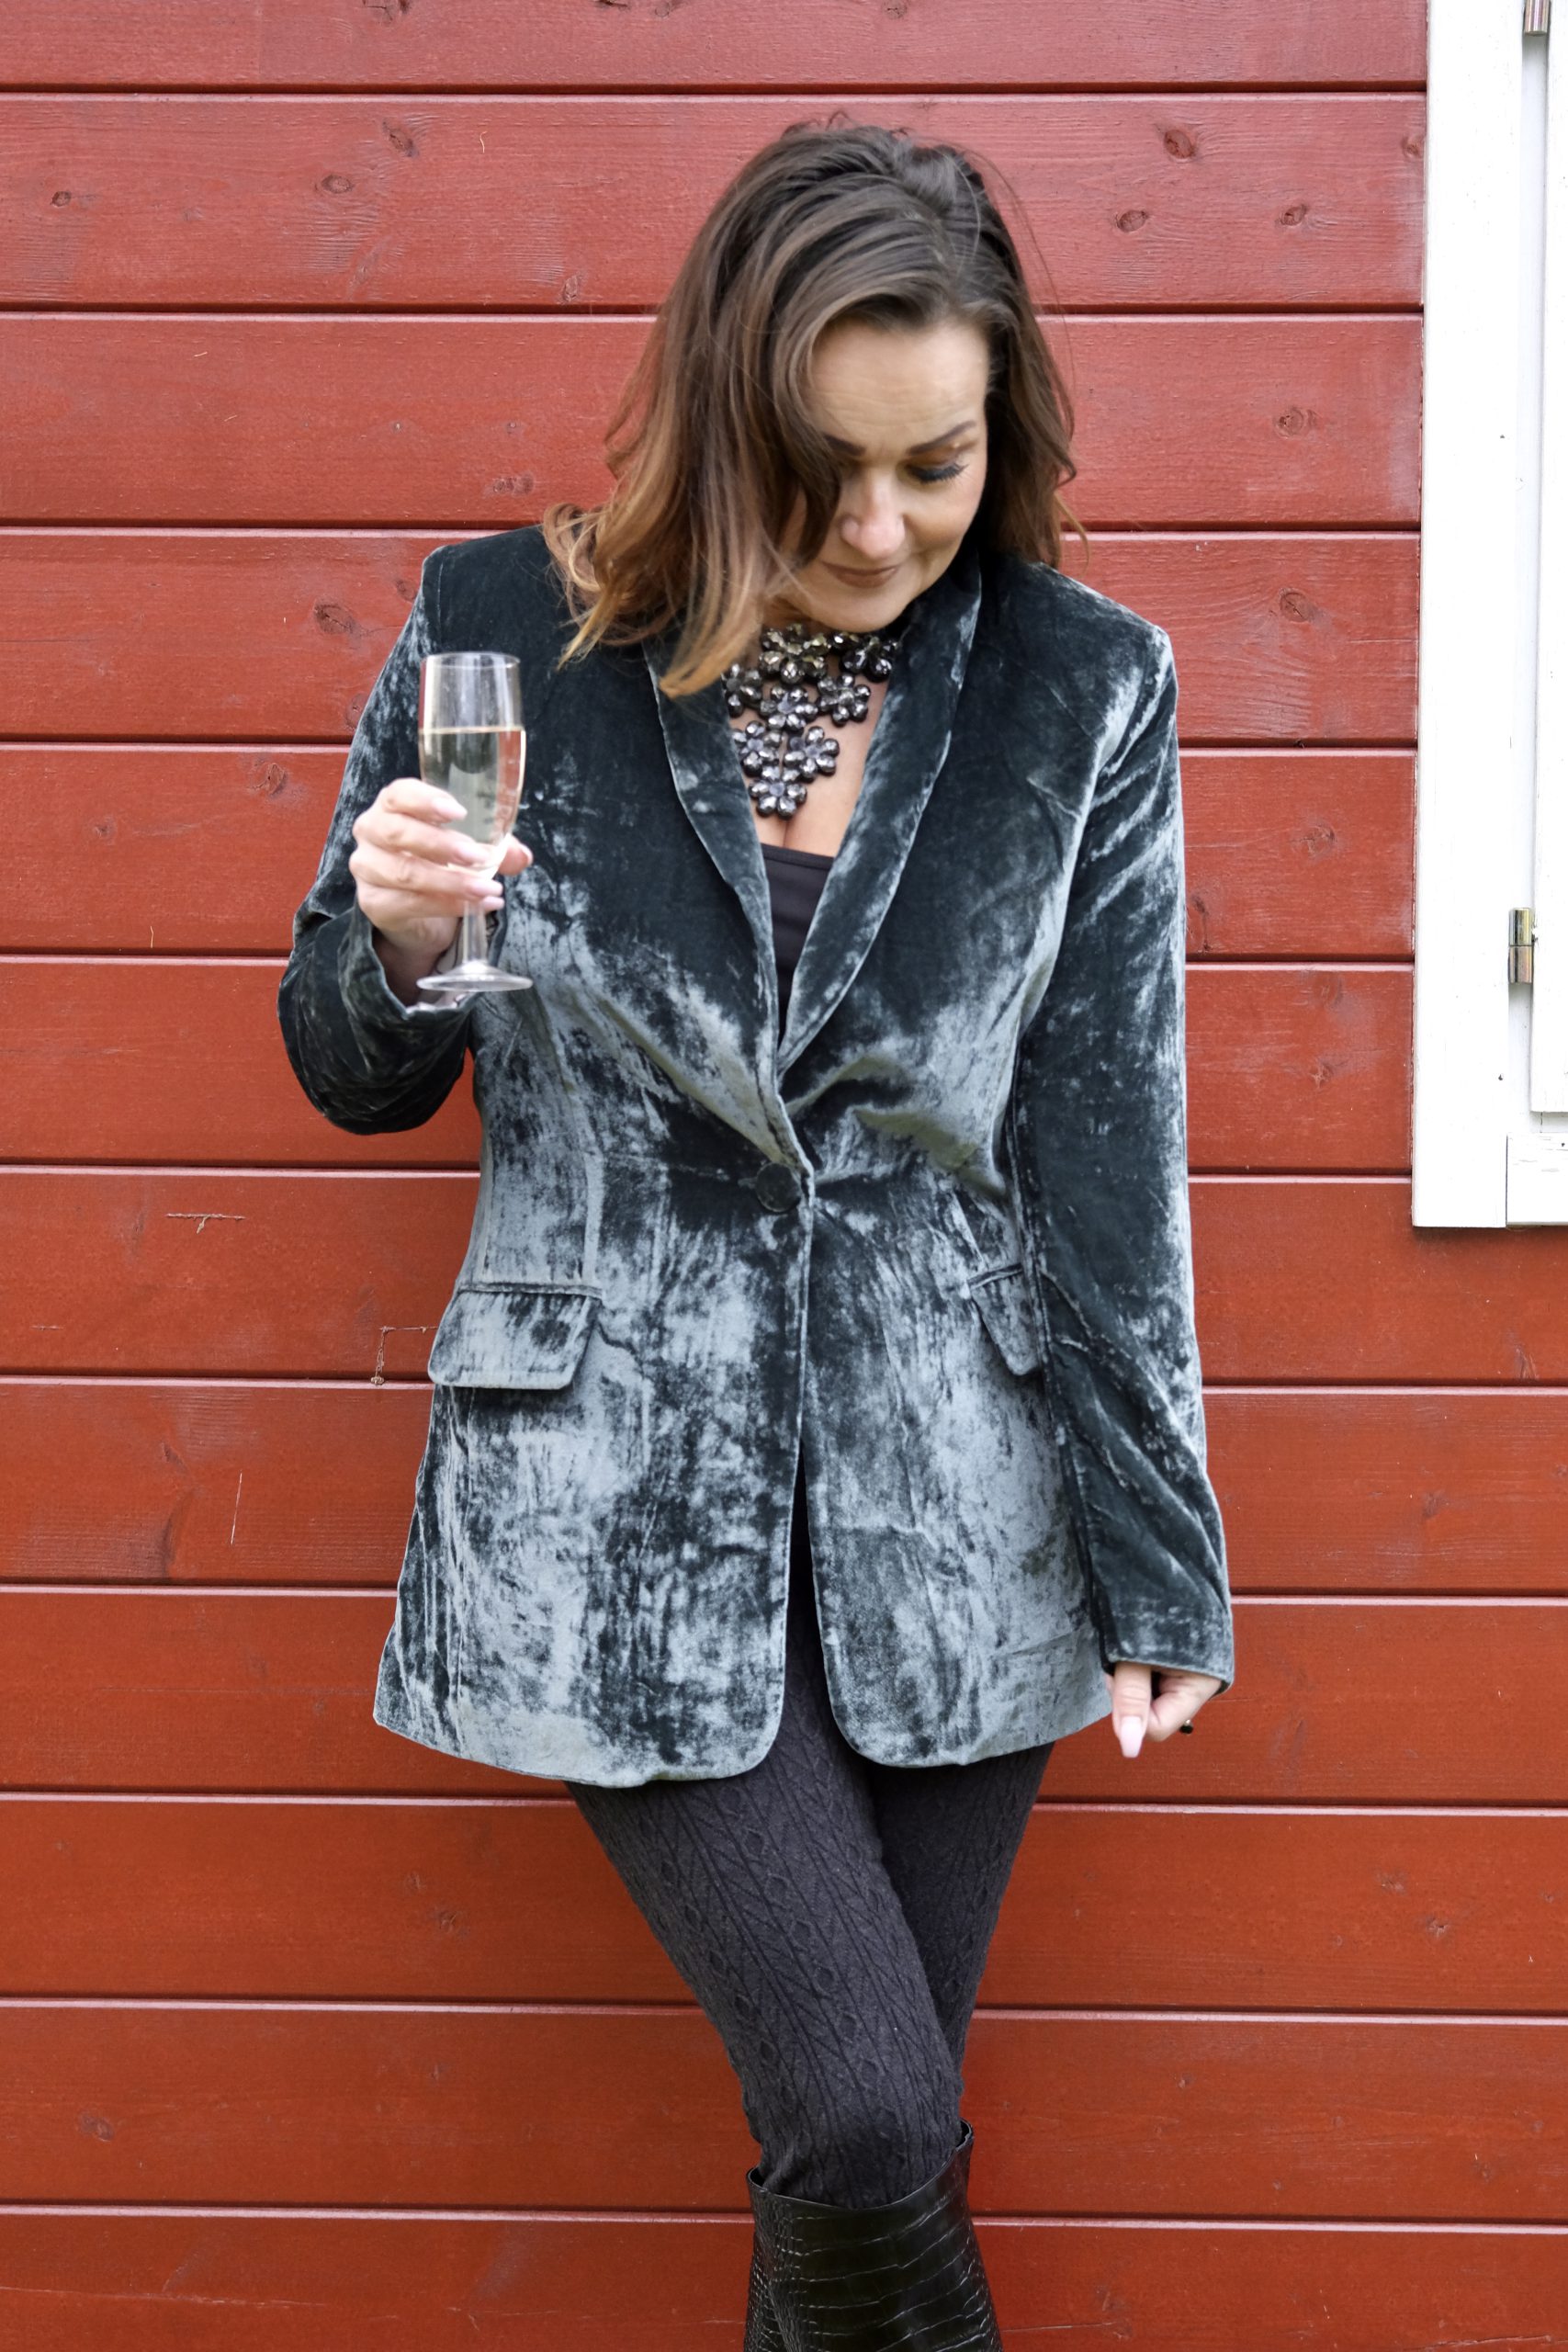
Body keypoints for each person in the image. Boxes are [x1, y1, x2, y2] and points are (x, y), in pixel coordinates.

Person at [277, 118, 1234, 2352]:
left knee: (857, 2146)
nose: (879, 525)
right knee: (870, 2112)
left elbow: (1103, 1141)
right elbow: (358, 1062)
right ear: (722, 421)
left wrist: (1159, 1549)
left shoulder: (1078, 684)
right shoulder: (504, 634)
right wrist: (400, 942)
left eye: (935, 463)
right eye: (821, 469)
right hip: (606, 1492)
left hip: (960, 1505)